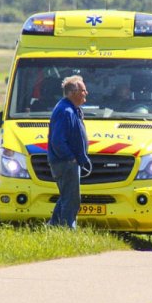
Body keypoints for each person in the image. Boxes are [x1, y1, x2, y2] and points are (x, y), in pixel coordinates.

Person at [48, 75, 91, 229]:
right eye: (83, 90)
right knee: (71, 199)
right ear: (73, 92)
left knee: (66, 196)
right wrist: (70, 158)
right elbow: (57, 141)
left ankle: (53, 226)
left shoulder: (71, 109)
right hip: (65, 163)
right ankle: (67, 229)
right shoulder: (65, 111)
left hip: (68, 162)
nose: (86, 93)